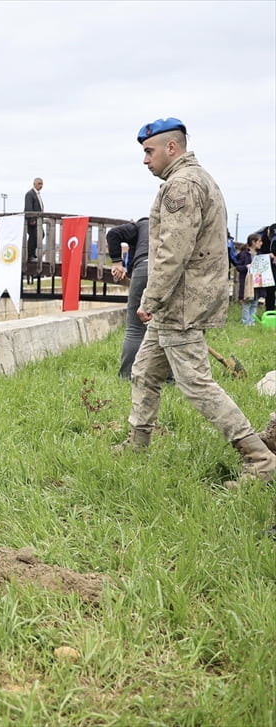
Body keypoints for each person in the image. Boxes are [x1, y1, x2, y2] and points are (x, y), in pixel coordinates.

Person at [122, 117, 274, 482]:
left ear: (171, 148)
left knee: (196, 384)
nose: (145, 160)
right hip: (181, 300)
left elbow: (171, 251)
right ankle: (137, 442)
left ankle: (260, 460)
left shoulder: (182, 185)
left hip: (180, 303)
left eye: (149, 151)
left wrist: (151, 299)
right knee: (145, 371)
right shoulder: (197, 178)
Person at [107, 218, 150, 378]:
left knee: (134, 328)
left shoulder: (140, 225)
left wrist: (117, 263)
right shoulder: (171, 223)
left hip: (144, 266)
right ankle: (169, 379)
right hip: (169, 270)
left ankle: (127, 375)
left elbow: (113, 234)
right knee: (168, 328)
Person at [238, 233, 264, 326]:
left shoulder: (260, 255)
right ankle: (246, 323)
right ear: (253, 242)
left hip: (257, 282)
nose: (261, 243)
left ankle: (252, 322)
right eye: (259, 241)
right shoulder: (243, 254)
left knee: (254, 303)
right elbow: (238, 267)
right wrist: (246, 267)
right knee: (247, 303)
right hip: (247, 283)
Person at [24, 177, 44, 261]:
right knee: (34, 236)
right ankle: (29, 255)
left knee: (40, 235)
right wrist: (32, 219)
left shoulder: (37, 194)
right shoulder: (30, 194)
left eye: (42, 184)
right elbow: (28, 207)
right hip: (32, 221)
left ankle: (32, 253)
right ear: (34, 184)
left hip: (38, 221)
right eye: (39, 183)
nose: (41, 185)